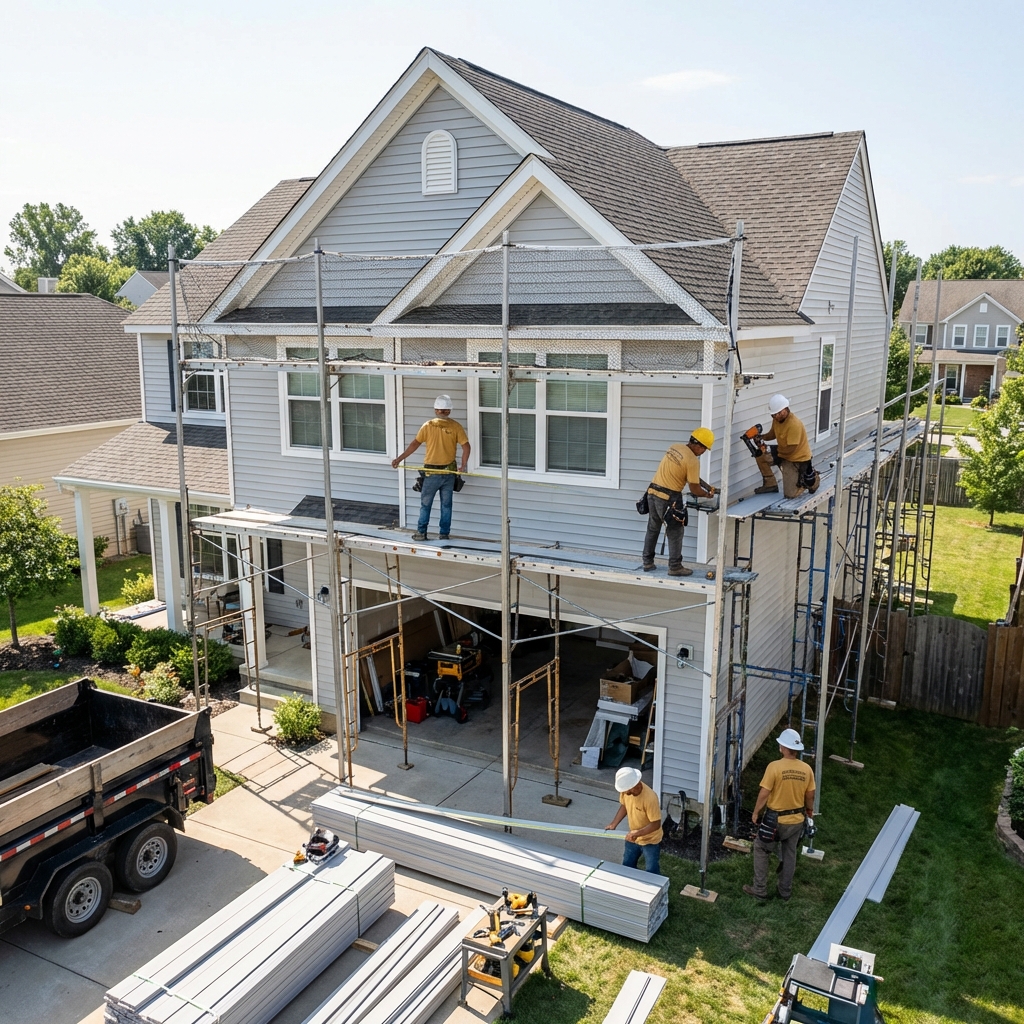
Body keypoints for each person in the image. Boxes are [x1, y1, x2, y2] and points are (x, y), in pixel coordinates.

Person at [743, 728, 816, 901]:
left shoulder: (774, 767)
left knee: (761, 848)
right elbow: (810, 795)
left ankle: (759, 889)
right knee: (789, 854)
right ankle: (785, 892)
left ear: (783, 747)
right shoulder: (806, 769)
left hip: (774, 821)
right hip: (796, 820)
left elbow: (764, 793)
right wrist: (809, 812)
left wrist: (755, 812)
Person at [392, 395, 470, 541]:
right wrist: (463, 465)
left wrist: (399, 459)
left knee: (425, 504)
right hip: (449, 473)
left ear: (436, 410)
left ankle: (421, 533)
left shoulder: (427, 426)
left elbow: (414, 444)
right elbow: (466, 446)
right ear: (449, 411)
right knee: (446, 506)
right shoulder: (455, 426)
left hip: (431, 473)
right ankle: (444, 534)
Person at [643, 428, 716, 577]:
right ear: (700, 445)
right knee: (675, 531)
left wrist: (707, 485)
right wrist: (707, 494)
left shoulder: (675, 447)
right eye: (704, 449)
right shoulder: (693, 461)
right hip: (669, 498)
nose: (703, 453)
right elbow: (694, 488)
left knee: (653, 527)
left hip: (652, 492)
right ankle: (675, 567)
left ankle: (647, 562)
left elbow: (688, 474)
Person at [754, 394, 819, 498]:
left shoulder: (794, 424)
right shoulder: (777, 419)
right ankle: (770, 484)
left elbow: (791, 449)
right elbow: (773, 433)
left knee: (790, 495)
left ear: (784, 410)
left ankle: (811, 481)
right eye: (773, 415)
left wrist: (773, 451)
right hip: (784, 452)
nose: (775, 417)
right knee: (760, 455)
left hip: (798, 459)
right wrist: (762, 437)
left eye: (777, 414)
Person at [604, 766, 663, 874]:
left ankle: (654, 889)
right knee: (627, 866)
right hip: (633, 838)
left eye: (625, 789)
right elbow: (624, 806)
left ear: (633, 785)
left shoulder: (650, 798)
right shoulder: (626, 792)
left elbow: (656, 824)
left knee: (652, 870)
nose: (624, 792)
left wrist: (638, 833)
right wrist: (614, 823)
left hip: (650, 840)